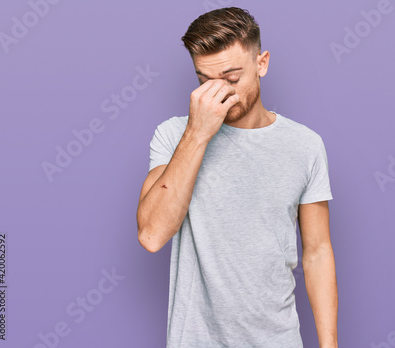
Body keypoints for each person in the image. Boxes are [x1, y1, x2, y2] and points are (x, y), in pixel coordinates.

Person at [136, 7, 338, 348]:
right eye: (205, 80)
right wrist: (197, 134)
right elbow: (152, 235)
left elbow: (317, 252)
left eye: (231, 79)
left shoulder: (305, 145)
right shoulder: (174, 136)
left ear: (262, 64)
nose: (221, 93)